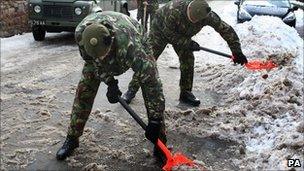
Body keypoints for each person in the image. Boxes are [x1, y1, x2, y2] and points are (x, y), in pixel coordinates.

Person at [56, 11, 167, 164]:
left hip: (134, 35)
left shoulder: (130, 46)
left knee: (148, 85)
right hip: (101, 42)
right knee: (84, 91)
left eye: (104, 54)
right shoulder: (81, 35)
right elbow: (93, 61)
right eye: (98, 56)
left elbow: (153, 84)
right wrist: (110, 82)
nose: (102, 59)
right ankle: (72, 138)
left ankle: (160, 142)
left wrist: (155, 120)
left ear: (111, 42)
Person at [123, 0, 248, 107]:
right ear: (188, 10)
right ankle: (131, 90)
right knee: (148, 61)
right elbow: (169, 34)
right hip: (160, 31)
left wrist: (237, 51)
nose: (193, 22)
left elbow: (226, 30)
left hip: (183, 35)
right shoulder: (174, 11)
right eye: (191, 19)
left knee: (188, 59)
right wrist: (187, 43)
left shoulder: (207, 15)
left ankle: (186, 93)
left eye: (196, 22)